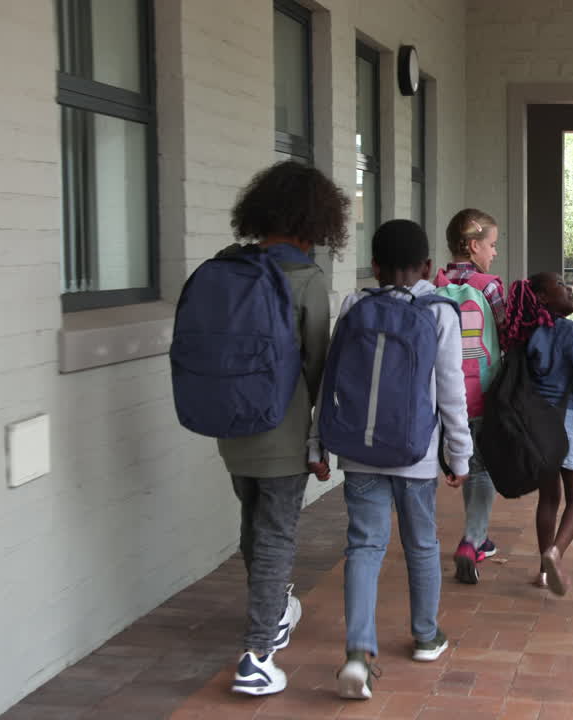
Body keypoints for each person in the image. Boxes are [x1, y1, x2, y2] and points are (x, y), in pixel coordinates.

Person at [319, 220, 472, 699]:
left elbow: (330, 382)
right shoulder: (441, 312)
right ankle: (426, 636)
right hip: (416, 456)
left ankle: (358, 652)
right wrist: (460, 455)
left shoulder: (353, 305)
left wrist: (317, 444)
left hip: (359, 454)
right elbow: (452, 393)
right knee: (421, 544)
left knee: (364, 546)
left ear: (376, 264)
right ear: (428, 266)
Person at [218, 161, 347, 695]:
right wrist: (320, 438)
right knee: (275, 533)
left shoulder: (226, 267)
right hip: (281, 425)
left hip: (229, 422)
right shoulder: (305, 278)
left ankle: (271, 612)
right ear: (315, 219)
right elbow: (319, 365)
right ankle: (258, 652)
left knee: (254, 523)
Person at [501, 273, 573, 596]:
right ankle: (555, 553)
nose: (569, 289)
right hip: (565, 422)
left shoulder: (523, 331)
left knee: (548, 499)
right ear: (543, 298)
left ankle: (543, 572)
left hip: (535, 425)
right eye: (561, 286)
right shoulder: (565, 329)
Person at [435, 209, 505, 584]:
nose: (494, 253)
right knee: (482, 469)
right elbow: (507, 332)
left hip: (446, 397)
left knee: (467, 464)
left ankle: (478, 535)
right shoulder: (489, 286)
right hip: (483, 392)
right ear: (474, 245)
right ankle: (471, 540)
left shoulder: (435, 284)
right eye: (492, 245)